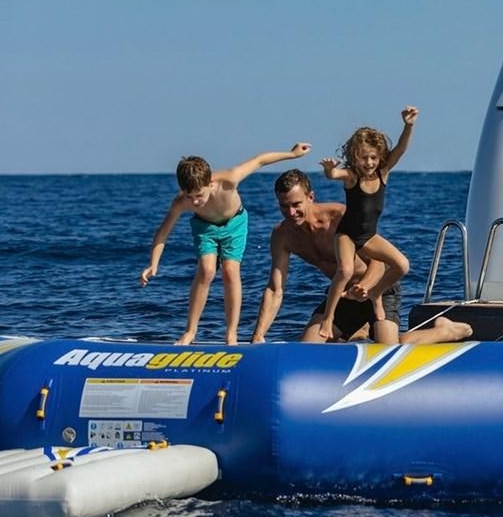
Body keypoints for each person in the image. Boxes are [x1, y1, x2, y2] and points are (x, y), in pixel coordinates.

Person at [251, 169, 472, 345]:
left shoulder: (340, 217)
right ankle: (355, 330)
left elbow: (379, 261)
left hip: (379, 288)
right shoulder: (282, 235)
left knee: (388, 350)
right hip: (344, 295)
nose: (290, 213)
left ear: (310, 197)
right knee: (308, 347)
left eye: (296, 204)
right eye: (284, 206)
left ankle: (446, 330)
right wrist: (258, 335)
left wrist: (367, 287)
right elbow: (275, 289)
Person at [141, 142, 311, 345]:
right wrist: (154, 263)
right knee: (207, 270)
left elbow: (260, 160)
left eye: (199, 195)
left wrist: (292, 155)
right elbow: (163, 232)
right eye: (189, 196)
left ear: (210, 184)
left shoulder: (229, 179)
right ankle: (190, 332)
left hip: (235, 223)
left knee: (230, 270)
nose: (194, 202)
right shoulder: (181, 202)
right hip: (205, 227)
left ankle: (231, 334)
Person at [314, 108, 419, 342]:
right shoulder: (352, 176)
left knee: (401, 265)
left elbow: (400, 149)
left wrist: (409, 125)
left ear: (379, 156)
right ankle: (328, 318)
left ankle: (375, 294)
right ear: (354, 157)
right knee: (345, 272)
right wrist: (329, 169)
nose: (369, 162)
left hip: (369, 236)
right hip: (347, 236)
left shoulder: (383, 172)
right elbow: (333, 176)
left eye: (373, 157)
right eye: (364, 157)